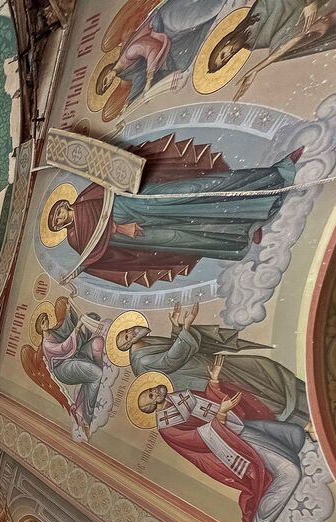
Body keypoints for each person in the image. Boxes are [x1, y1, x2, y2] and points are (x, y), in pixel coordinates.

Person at [49, 136, 302, 288]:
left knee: (195, 191)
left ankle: (273, 176)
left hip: (137, 203)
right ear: (59, 227)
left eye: (58, 210)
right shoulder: (74, 240)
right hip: (135, 235)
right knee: (186, 238)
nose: (60, 215)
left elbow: (111, 182)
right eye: (57, 220)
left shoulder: (84, 197)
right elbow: (95, 253)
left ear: (65, 204)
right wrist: (116, 231)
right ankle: (243, 229)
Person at [136, 362, 312, 522]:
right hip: (232, 447)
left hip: (237, 429)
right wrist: (221, 413)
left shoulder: (180, 397)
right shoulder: (167, 427)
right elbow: (198, 440)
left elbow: (208, 402)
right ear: (152, 406)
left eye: (151, 389)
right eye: (151, 396)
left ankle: (284, 458)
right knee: (290, 473)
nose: (155, 391)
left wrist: (213, 382)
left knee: (293, 434)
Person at [114, 305, 311, 429]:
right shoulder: (142, 360)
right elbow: (172, 359)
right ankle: (302, 419)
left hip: (206, 365)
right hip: (205, 378)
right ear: (126, 347)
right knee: (254, 395)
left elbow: (172, 355)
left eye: (128, 330)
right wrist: (185, 328)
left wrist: (177, 329)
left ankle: (306, 394)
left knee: (262, 369)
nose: (132, 332)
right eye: (127, 336)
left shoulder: (145, 345)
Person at [209, 1, 336, 97]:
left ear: (223, 44)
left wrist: (308, 3)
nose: (228, 55)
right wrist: (255, 69)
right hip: (314, 13)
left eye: (223, 54)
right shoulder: (255, 42)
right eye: (226, 60)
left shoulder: (252, 16)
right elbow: (285, 42)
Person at [34, 300, 110, 437]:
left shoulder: (53, 331)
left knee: (98, 342)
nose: (45, 322)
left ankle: (82, 404)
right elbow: (63, 348)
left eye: (45, 319)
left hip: (74, 357)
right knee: (97, 374)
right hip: (64, 368)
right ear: (39, 328)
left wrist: (69, 311)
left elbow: (66, 327)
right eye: (42, 322)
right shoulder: (46, 344)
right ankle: (87, 417)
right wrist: (77, 328)